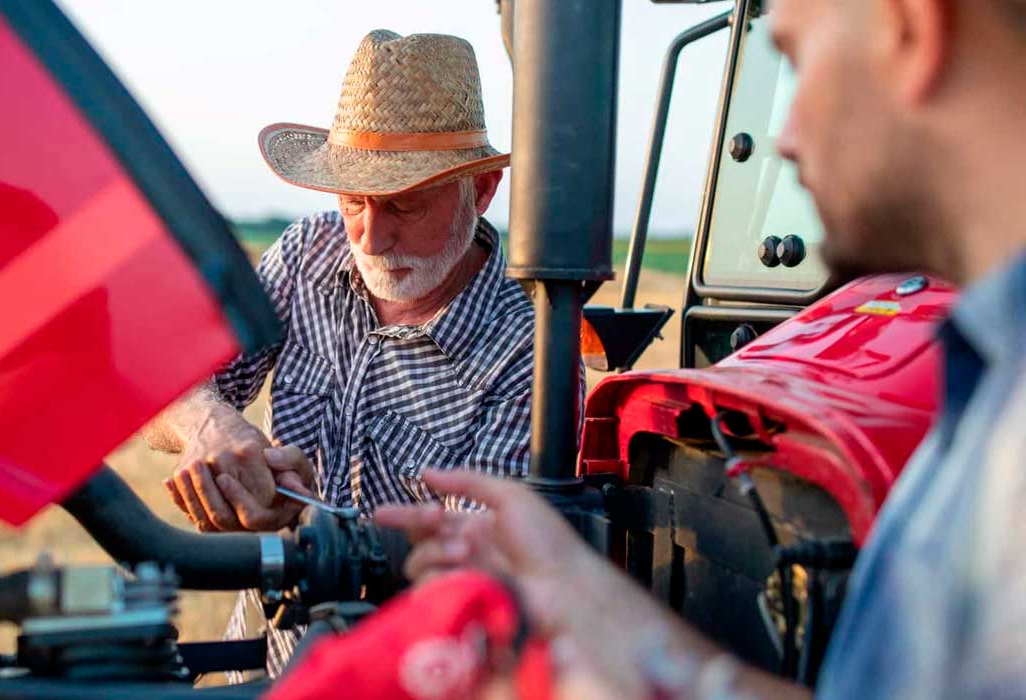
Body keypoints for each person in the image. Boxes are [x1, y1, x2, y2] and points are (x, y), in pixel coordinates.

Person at [376, 0, 1026, 697]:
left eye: (795, 59)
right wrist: (611, 617)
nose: (786, 137)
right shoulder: (991, 387)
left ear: (909, 26)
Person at [143, 30, 537, 675]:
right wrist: (209, 426)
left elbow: (477, 569)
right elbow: (171, 385)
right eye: (354, 201)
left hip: (404, 673)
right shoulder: (306, 254)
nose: (372, 238)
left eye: (405, 205)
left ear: (483, 190)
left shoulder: (525, 351)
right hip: (269, 659)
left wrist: (317, 526)